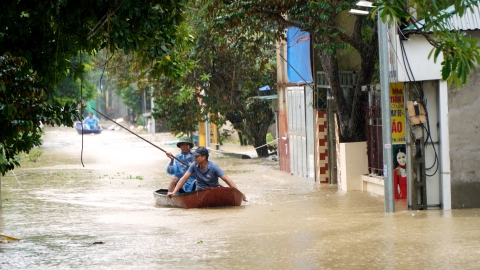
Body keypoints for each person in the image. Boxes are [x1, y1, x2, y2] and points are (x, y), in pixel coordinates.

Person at [167, 147, 238, 197]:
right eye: (194, 156)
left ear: (204, 157)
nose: (194, 158)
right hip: (199, 192)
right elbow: (184, 178)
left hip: (212, 192)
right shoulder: (194, 165)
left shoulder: (214, 167)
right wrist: (174, 192)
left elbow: (227, 179)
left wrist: (238, 193)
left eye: (197, 156)